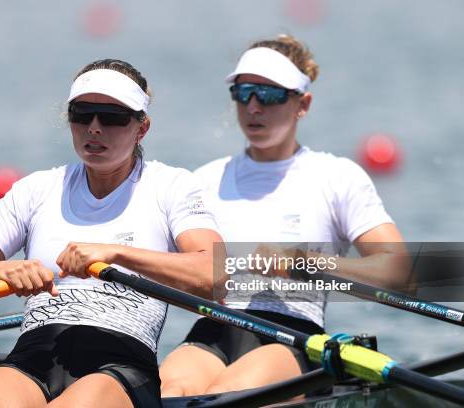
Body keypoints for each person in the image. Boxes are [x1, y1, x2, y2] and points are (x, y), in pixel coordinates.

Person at [0, 58, 223, 408]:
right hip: (32, 359)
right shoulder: (35, 190)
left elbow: (216, 276)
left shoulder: (171, 187)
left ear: (142, 128)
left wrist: (114, 254)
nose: (94, 128)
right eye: (82, 114)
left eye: (112, 117)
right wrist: (2, 269)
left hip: (121, 367)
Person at [159, 35, 408, 397]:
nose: (254, 106)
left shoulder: (336, 177)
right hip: (213, 332)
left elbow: (398, 270)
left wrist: (301, 262)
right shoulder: (203, 181)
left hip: (295, 339)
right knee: (166, 393)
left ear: (302, 104)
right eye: (243, 93)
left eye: (270, 94)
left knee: (232, 394)